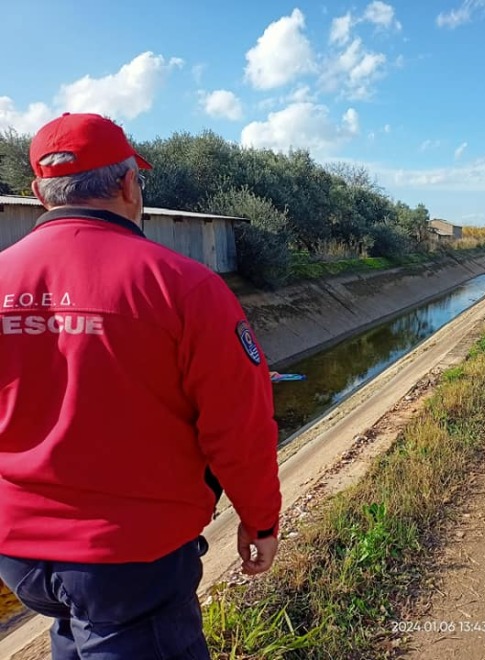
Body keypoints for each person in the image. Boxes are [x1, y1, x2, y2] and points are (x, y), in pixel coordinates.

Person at [0, 113, 282, 659]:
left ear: (39, 193)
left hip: (20, 557)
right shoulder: (184, 286)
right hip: (129, 562)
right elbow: (239, 427)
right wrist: (261, 519)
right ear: (130, 185)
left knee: (73, 634)